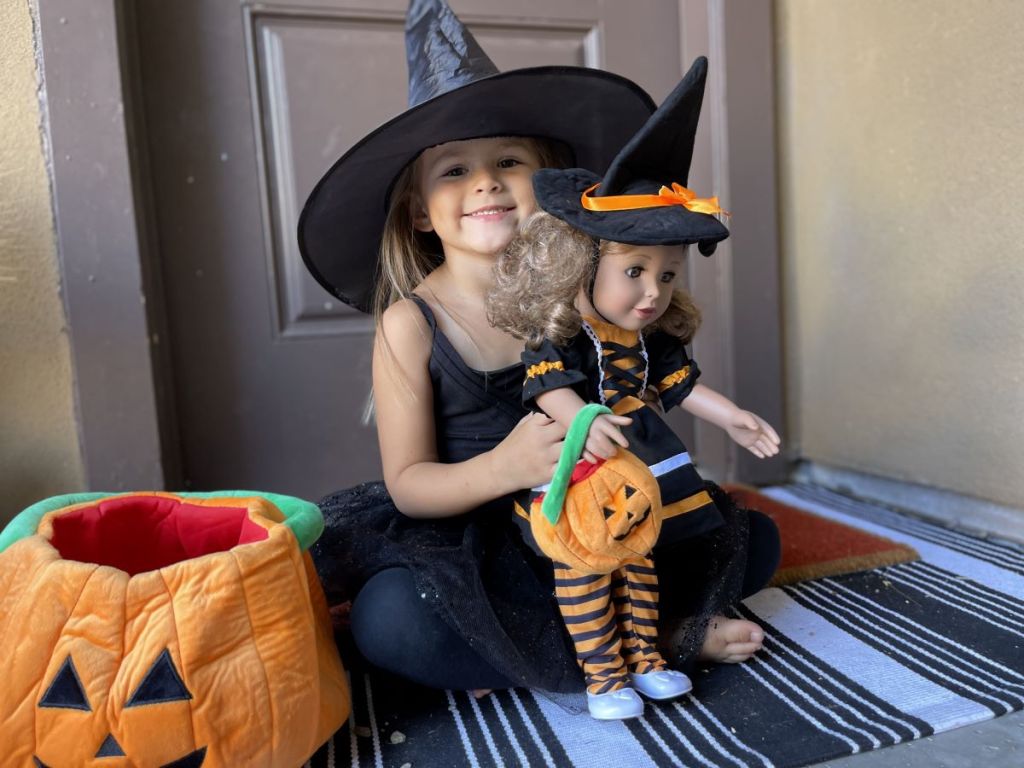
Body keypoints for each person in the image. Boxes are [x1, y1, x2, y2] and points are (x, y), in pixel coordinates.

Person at [301, 1, 777, 698]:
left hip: (597, 513)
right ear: (417, 211)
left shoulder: (584, 291)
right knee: (393, 620)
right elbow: (409, 484)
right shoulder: (411, 322)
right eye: (454, 170)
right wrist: (504, 465)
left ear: (550, 184)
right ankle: (639, 640)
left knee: (750, 540)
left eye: (508, 161)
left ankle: (624, 636)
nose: (486, 182)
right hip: (487, 537)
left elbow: (646, 373)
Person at [487, 58, 781, 718]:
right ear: (584, 262)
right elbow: (547, 388)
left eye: (669, 276)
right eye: (636, 271)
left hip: (643, 471)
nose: (654, 292)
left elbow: (677, 388)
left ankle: (648, 652)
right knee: (590, 563)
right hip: (584, 469)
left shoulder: (649, 339)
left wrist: (730, 415)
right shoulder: (562, 333)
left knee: (653, 556)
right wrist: (582, 419)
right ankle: (601, 670)